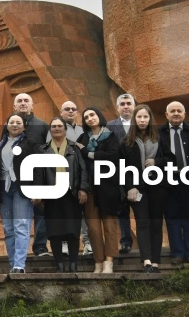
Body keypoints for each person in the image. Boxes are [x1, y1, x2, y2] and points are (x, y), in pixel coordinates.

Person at [35, 117, 88, 272]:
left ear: (65, 129)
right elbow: (38, 173)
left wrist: (83, 189)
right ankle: (59, 266)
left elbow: (83, 170)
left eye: (59, 126)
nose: (57, 128)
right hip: (51, 196)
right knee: (54, 232)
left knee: (72, 231)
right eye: (54, 126)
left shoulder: (75, 148)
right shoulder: (43, 150)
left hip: (71, 194)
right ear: (50, 130)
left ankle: (73, 265)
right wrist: (38, 192)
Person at [81, 107, 123, 273]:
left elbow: (113, 156)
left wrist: (89, 153)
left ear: (99, 116)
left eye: (92, 115)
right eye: (86, 117)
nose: (90, 118)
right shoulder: (83, 138)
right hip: (90, 187)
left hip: (108, 185)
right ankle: (98, 261)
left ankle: (109, 261)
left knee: (109, 225)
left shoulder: (111, 136)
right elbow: (80, 161)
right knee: (93, 228)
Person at [158, 101, 189, 265]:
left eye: (179, 111)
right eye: (172, 111)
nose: (176, 113)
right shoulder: (159, 132)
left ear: (184, 114)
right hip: (168, 179)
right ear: (166, 115)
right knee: (172, 217)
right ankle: (177, 253)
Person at [123, 104, 162, 273]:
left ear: (150, 119)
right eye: (139, 117)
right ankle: (146, 260)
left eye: (145, 117)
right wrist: (130, 186)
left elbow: (170, 158)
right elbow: (121, 167)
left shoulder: (160, 138)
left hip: (157, 186)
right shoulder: (126, 142)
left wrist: (156, 162)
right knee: (143, 222)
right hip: (137, 188)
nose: (142, 120)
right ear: (134, 119)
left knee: (156, 223)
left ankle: (155, 262)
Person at [0, 113, 35, 273]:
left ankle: (19, 264)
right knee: (8, 228)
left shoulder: (30, 144)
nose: (15, 125)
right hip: (3, 188)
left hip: (22, 188)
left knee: (21, 225)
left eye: (18, 122)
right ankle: (13, 265)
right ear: (7, 124)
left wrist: (36, 190)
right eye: (12, 122)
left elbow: (37, 168)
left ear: (24, 126)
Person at [13, 92, 50, 257]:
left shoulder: (41, 125)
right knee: (18, 214)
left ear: (32, 105)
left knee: (41, 212)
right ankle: (19, 250)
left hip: (38, 175)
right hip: (16, 177)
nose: (23, 103)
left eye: (26, 100)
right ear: (14, 106)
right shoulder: (10, 124)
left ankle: (40, 247)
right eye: (19, 101)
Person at [59, 100, 92, 254]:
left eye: (73, 109)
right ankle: (65, 242)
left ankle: (87, 243)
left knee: (85, 212)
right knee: (66, 212)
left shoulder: (83, 131)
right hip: (64, 177)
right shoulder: (55, 129)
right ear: (61, 112)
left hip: (83, 176)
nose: (71, 111)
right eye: (67, 109)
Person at [108, 92, 136, 255]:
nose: (126, 106)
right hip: (118, 174)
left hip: (139, 174)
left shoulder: (141, 122)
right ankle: (126, 242)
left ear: (133, 105)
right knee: (122, 210)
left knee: (141, 210)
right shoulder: (110, 126)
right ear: (117, 107)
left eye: (128, 103)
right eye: (123, 104)